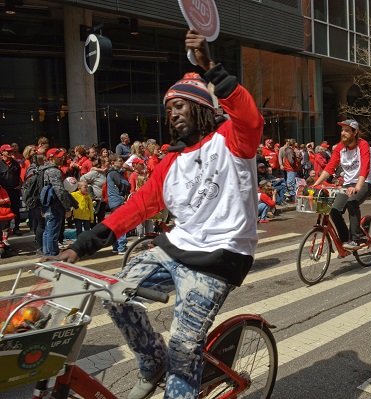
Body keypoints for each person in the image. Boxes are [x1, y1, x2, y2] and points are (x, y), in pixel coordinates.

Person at [44, 30, 263, 399]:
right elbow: (133, 209)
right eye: (168, 108)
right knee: (115, 296)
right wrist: (80, 248)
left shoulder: (233, 138)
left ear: (203, 109)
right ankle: (150, 361)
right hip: (174, 248)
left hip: (220, 257)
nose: (172, 113)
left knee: (183, 349)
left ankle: (175, 370)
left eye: (180, 105)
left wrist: (209, 67)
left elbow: (248, 115)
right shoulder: (169, 163)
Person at [312, 119, 371, 249]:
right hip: (347, 183)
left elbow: (365, 167)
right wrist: (315, 184)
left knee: (352, 203)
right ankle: (345, 240)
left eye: (347, 130)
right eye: (342, 130)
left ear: (355, 132)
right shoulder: (340, 147)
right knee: (334, 210)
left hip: (364, 182)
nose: (343, 133)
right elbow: (330, 167)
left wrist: (357, 187)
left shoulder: (362, 145)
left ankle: (355, 239)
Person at [40, 148, 73, 256]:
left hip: (46, 203)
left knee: (47, 229)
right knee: (53, 230)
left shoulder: (43, 169)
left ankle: (47, 252)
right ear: (51, 158)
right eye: (59, 156)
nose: (62, 158)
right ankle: (53, 254)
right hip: (54, 205)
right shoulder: (54, 171)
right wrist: (67, 207)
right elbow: (59, 190)